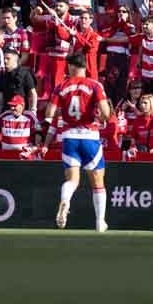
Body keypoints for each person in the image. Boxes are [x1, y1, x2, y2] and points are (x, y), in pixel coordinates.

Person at [42, 52, 112, 232]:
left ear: (72, 66)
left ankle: (65, 201)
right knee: (98, 182)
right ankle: (99, 221)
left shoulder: (61, 86)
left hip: (69, 137)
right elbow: (106, 112)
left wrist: (64, 112)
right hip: (90, 136)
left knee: (72, 180)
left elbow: (49, 112)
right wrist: (102, 117)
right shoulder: (95, 85)